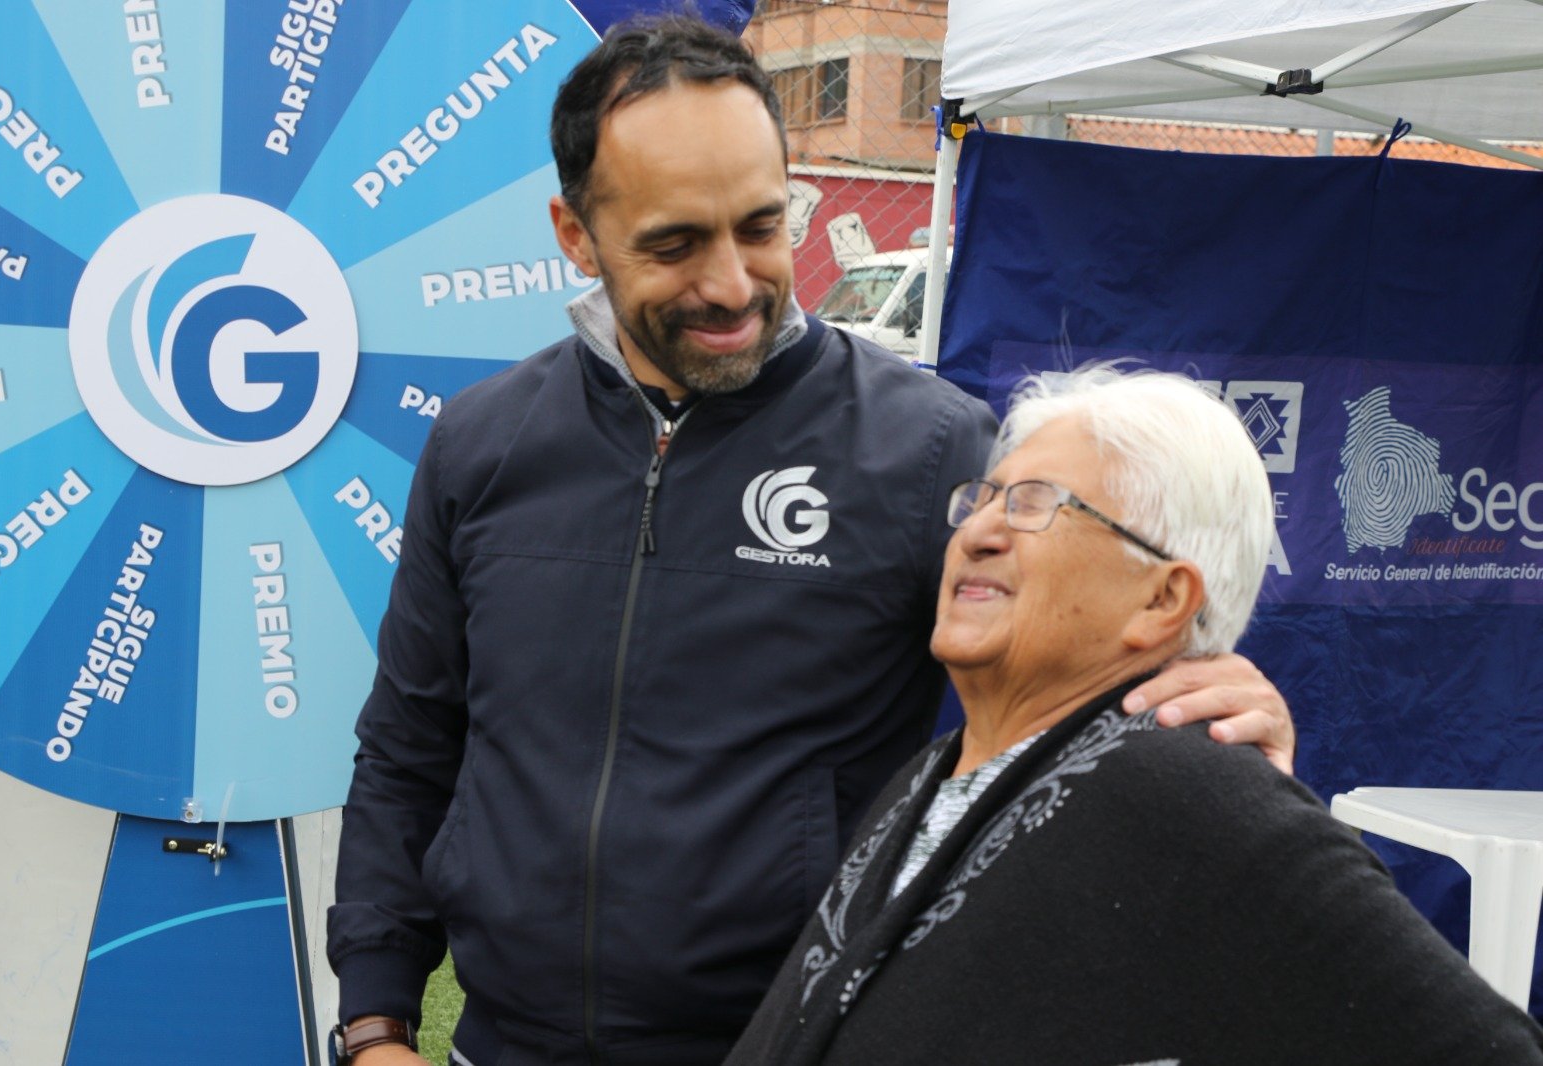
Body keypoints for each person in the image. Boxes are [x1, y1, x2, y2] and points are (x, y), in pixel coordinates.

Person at [325, 17, 1296, 1066]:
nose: (733, 284)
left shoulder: (931, 451)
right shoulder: (482, 442)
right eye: (673, 243)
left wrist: (1205, 699)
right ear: (574, 232)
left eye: (760, 225)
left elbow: (1077, 695)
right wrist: (376, 1022)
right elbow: (409, 749)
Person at [727, 366, 1543, 1066]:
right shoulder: (942, 768)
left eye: (1034, 505)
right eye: (983, 497)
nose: (977, 532)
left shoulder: (1196, 792)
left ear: (1161, 599)